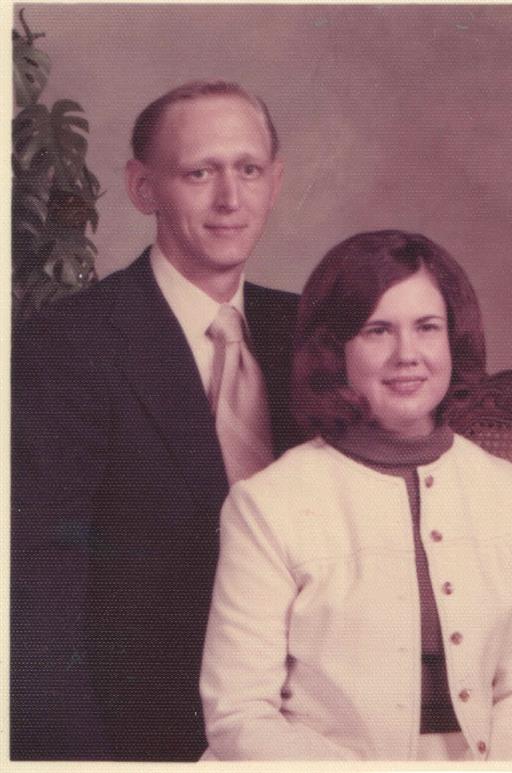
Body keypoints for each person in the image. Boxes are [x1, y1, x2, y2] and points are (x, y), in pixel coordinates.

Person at [11, 80, 300, 761]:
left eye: (248, 169)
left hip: (305, 722)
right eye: (199, 173)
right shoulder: (68, 345)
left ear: (274, 182)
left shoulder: (308, 329)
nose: (230, 198)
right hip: (148, 734)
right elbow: (38, 598)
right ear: (143, 189)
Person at [200, 230, 512, 761]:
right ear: (335, 352)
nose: (408, 355)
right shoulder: (267, 504)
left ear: (453, 340)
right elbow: (239, 713)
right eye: (378, 331)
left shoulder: (507, 490)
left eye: (427, 327)